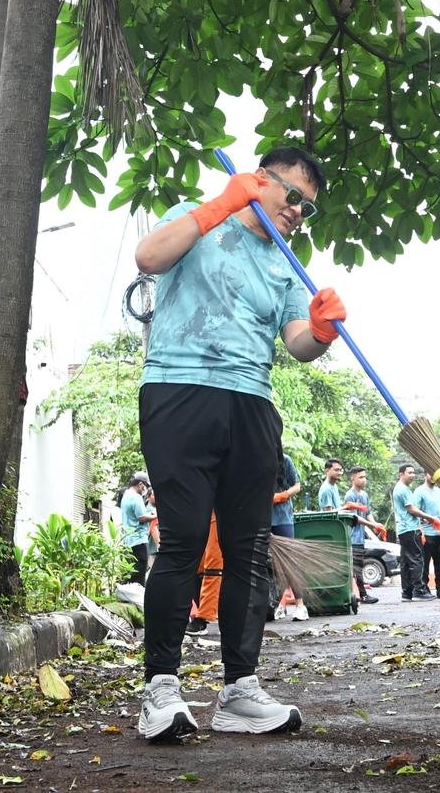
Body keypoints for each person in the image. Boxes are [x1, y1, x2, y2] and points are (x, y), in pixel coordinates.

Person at [133, 147, 340, 741]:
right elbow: (148, 256)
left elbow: (296, 341)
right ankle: (161, 689)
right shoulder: (198, 216)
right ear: (259, 181)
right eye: (293, 197)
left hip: (252, 401)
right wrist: (221, 204)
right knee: (184, 542)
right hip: (178, 389)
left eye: (309, 207)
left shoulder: (284, 261)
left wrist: (322, 331)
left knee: (249, 549)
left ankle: (240, 691)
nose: (300, 213)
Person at [271, 453, 309, 622]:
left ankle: (301, 606)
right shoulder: (255, 457)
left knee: (288, 562)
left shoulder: (284, 460)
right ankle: (279, 605)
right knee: (268, 565)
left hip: (282, 517)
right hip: (260, 518)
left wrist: (283, 495)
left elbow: (297, 486)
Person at [342, 466, 383, 605]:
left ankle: (360, 594)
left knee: (358, 566)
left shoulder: (364, 495)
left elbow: (368, 513)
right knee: (355, 568)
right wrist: (372, 525)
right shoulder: (350, 495)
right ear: (352, 478)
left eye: (365, 477)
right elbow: (354, 517)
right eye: (361, 477)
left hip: (360, 538)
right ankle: (362, 595)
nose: (364, 480)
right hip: (352, 537)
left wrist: (375, 524)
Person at [412, 469, 440, 598]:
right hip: (427, 532)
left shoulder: (439, 491)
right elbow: (415, 511)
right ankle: (424, 589)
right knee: (424, 563)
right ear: (425, 475)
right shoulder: (419, 491)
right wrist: (421, 529)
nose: (433, 476)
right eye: (431, 473)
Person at [393, 464, 432, 601]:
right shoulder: (403, 489)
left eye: (414, 473)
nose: (413, 475)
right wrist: (428, 517)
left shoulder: (401, 488)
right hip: (409, 528)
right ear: (401, 474)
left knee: (406, 561)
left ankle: (407, 592)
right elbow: (411, 509)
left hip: (403, 529)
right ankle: (419, 590)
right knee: (417, 559)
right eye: (409, 472)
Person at [120, 472, 155, 585]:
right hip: (138, 538)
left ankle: (125, 589)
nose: (145, 489)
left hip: (129, 539)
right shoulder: (136, 497)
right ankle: (137, 593)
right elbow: (142, 518)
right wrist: (156, 515)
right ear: (140, 484)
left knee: (132, 569)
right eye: (145, 486)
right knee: (140, 569)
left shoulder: (126, 495)